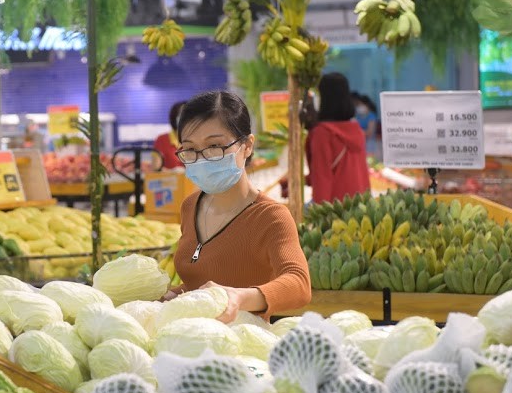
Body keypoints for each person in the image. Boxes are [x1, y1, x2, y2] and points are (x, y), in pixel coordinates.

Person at [165, 90, 311, 322]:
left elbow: (299, 284)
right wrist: (175, 294)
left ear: (247, 146)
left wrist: (239, 298)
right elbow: (203, 285)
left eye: (215, 146)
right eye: (190, 149)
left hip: (244, 345)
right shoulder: (190, 206)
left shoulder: (271, 217)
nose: (202, 159)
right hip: (189, 342)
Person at [306, 73, 371, 205]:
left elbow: (322, 178)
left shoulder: (322, 133)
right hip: (361, 208)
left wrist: (320, 216)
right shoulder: (356, 129)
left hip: (335, 211)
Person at [154, 101, 185, 170]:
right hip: (170, 180)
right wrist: (173, 172)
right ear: (174, 117)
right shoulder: (161, 140)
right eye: (181, 115)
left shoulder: (196, 139)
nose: (185, 118)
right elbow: (156, 168)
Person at [351, 91, 380, 155]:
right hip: (359, 144)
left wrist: (357, 132)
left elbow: (369, 132)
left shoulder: (371, 116)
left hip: (370, 145)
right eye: (358, 105)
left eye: (361, 104)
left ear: (367, 105)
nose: (359, 107)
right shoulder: (357, 116)